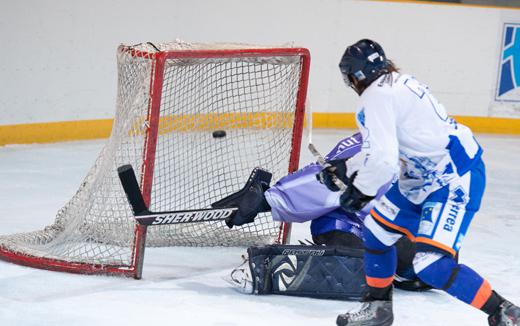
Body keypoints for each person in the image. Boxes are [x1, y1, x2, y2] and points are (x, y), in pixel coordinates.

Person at [312, 39, 520, 326]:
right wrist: (347, 167)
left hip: (453, 179)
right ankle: (378, 309)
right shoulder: (398, 82)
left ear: (355, 76)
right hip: (425, 175)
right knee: (375, 231)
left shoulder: (374, 97)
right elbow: (388, 147)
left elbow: (384, 160)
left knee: (430, 264)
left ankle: (505, 312)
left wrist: (360, 192)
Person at [213, 132, 431, 294]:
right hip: (346, 222)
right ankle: (274, 264)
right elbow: (324, 181)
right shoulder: (368, 146)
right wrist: (265, 200)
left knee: (428, 265)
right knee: (352, 271)